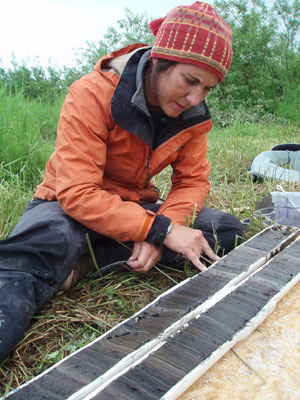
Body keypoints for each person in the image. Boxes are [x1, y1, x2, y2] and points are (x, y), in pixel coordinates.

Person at [0, 1, 244, 364]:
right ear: (161, 61)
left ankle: (84, 262)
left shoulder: (192, 116)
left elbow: (192, 180)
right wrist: (158, 231)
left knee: (226, 232)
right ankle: (78, 255)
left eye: (208, 89)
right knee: (33, 253)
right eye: (191, 81)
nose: (196, 98)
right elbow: (78, 193)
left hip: (133, 210)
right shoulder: (92, 93)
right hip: (66, 207)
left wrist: (168, 227)